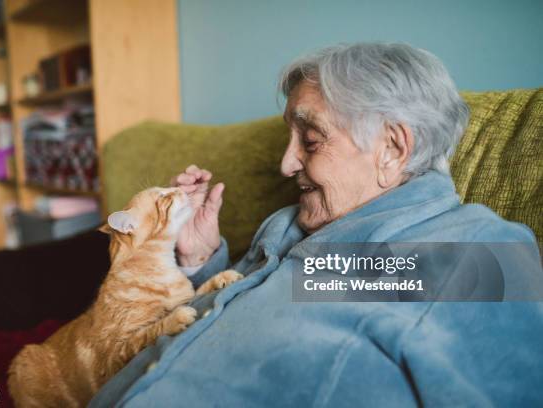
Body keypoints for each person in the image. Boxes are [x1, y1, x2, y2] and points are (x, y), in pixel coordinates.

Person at [91, 43, 543, 407]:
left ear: (392, 148)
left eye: (310, 139)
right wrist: (200, 257)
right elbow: (242, 314)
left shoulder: (471, 250)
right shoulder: (291, 225)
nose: (287, 163)